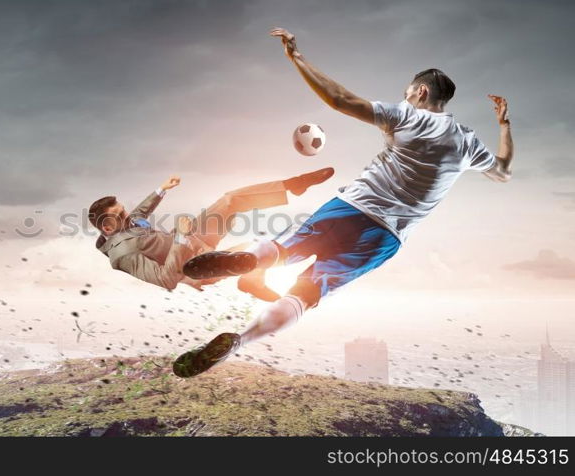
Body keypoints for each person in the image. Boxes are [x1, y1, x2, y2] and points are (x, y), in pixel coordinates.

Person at [172, 27, 514, 378]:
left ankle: (250, 259)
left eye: (408, 91)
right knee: (305, 294)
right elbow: (502, 172)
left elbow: (338, 99)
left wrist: (297, 57)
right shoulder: (468, 142)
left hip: (350, 208)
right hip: (386, 238)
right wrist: (503, 126)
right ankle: (240, 341)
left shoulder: (406, 115)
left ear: (421, 91)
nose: (406, 96)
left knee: (284, 248)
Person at [88, 168, 334, 301]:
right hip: (198, 265)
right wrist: (181, 238)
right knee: (260, 247)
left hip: (194, 237)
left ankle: (291, 185)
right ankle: (252, 281)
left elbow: (140, 212)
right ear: (108, 229)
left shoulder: (124, 222)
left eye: (123, 210)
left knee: (230, 200)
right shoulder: (122, 255)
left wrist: (161, 190)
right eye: (120, 215)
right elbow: (165, 279)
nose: (127, 215)